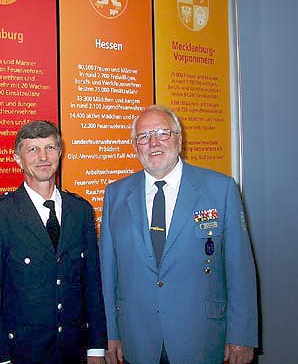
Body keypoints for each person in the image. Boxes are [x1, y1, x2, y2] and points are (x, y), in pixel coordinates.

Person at [99, 105, 258, 364]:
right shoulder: (115, 195)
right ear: (135, 146)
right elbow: (108, 272)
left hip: (201, 338)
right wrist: (109, 333)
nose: (154, 143)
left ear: (179, 140)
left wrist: (242, 335)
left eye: (163, 133)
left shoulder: (221, 189)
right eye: (144, 136)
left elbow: (239, 268)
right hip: (137, 339)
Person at [0, 120, 107, 364]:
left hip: (74, 349)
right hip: (23, 351)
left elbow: (92, 283)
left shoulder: (80, 210)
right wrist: (1, 356)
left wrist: (96, 347)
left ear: (60, 153)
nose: (43, 157)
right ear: (18, 159)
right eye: (33, 149)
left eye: (50, 148)